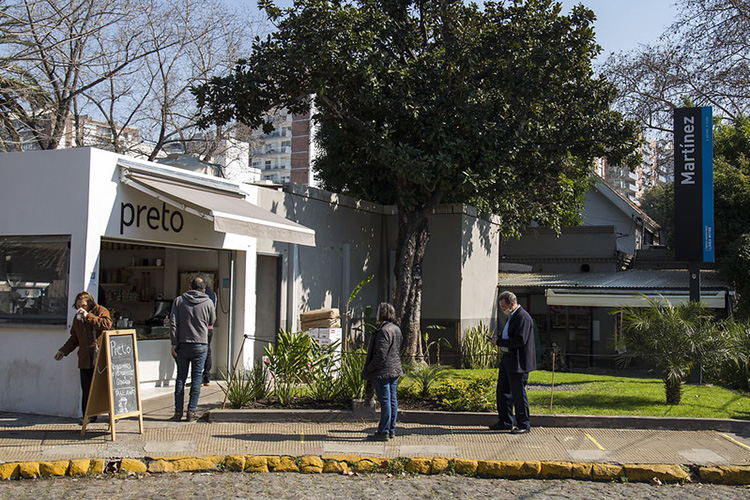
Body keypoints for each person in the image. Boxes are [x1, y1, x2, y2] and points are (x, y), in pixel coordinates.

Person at [54, 291, 113, 424]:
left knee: (105, 387)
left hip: (100, 356)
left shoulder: (100, 310)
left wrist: (89, 316)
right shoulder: (78, 318)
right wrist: (63, 351)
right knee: (86, 388)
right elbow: (75, 338)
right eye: (78, 305)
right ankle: (89, 415)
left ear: (90, 304)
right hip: (85, 357)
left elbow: (107, 324)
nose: (81, 308)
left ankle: (112, 414)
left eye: (84, 305)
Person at [488, 290, 536, 434]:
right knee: (503, 392)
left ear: (512, 304)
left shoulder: (522, 317)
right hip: (508, 358)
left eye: (503, 307)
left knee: (518, 394)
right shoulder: (512, 316)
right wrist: (499, 339)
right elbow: (510, 334)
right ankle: (505, 421)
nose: (502, 310)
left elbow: (520, 340)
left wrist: (500, 342)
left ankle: (523, 424)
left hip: (518, 362)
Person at [170, 276, 216, 422]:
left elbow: (173, 323)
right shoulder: (208, 302)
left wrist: (173, 343)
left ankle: (178, 412)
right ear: (203, 289)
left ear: (190, 287)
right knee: (197, 378)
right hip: (201, 344)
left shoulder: (179, 301)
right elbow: (212, 320)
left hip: (182, 343)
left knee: (180, 378)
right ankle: (191, 411)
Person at [362, 302, 403, 441]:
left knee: (386, 401)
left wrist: (370, 367)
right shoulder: (396, 329)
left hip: (383, 371)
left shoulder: (383, 331)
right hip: (394, 369)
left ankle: (383, 431)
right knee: (392, 400)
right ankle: (390, 429)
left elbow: (381, 354)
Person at [201, 280, 217, 386]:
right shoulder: (212, 295)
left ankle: (200, 378)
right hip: (209, 327)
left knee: (201, 351)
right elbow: (213, 316)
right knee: (208, 351)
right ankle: (206, 377)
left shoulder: (205, 296)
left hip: (202, 328)